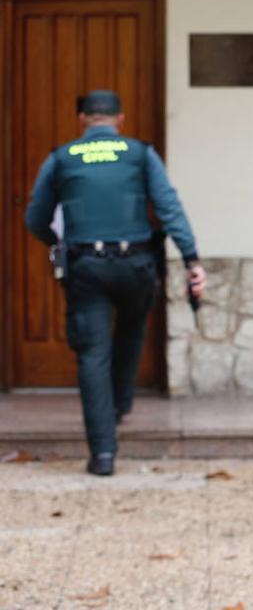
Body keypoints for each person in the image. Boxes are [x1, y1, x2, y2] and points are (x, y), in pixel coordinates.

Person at [23, 90, 206, 477]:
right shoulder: (140, 154)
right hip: (135, 263)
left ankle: (103, 454)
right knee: (131, 330)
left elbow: (36, 217)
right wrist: (192, 260)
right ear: (119, 120)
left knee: (92, 354)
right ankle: (120, 404)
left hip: (86, 265)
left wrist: (59, 243)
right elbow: (170, 207)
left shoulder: (61, 158)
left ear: (82, 120)